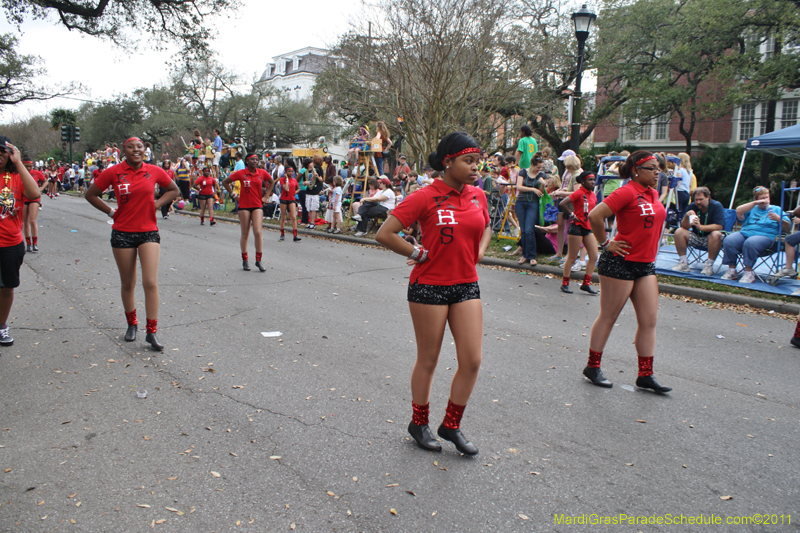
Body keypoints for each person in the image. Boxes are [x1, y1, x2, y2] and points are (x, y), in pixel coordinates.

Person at [376, 132, 491, 455]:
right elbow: (385, 234)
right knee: (429, 359)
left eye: (476, 161)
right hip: (429, 286)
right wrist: (416, 254)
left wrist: (480, 251)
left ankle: (451, 425)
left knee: (472, 360)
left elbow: (486, 226)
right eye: (468, 161)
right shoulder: (425, 196)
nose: (474, 167)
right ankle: (419, 423)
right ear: (448, 162)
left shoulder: (477, 196)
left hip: (466, 284)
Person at [584, 151, 671, 393]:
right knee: (609, 316)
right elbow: (595, 215)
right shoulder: (627, 191)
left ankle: (646, 374)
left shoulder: (653, 193)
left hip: (645, 264)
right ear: (636, 170)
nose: (657, 172)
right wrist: (604, 243)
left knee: (649, 320)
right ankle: (593, 367)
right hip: (619, 262)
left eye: (659, 169)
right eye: (652, 168)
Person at [85, 137, 179, 351]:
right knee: (128, 283)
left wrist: (156, 205)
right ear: (123, 151)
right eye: (130, 147)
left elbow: (173, 190)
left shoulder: (154, 170)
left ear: (144, 150)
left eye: (139, 147)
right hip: (122, 233)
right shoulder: (113, 172)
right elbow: (90, 194)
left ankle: (152, 332)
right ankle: (131, 324)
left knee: (150, 282)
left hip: (148, 232)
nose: (136, 150)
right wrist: (111, 212)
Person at [0, 138, 41, 349]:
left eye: (2, 151)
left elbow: (34, 194)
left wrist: (19, 164)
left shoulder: (16, 177)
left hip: (10, 244)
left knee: (7, 288)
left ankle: (1, 326)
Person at [720, 186, 791, 283]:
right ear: (756, 200)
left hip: (766, 237)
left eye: (767, 197)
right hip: (745, 234)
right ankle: (732, 270)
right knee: (729, 239)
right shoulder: (751, 208)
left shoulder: (777, 209)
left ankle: (749, 273)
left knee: (751, 242)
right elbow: (738, 210)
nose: (766, 200)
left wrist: (778, 219)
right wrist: (755, 203)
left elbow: (787, 229)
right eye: (762, 198)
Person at [223, 153, 273, 270]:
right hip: (244, 206)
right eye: (252, 159)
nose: (255, 161)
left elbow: (272, 182)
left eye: (257, 159)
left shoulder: (262, 172)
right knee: (245, 233)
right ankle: (245, 259)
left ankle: (258, 260)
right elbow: (225, 182)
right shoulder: (241, 173)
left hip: (257, 205)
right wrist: (234, 195)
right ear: (247, 161)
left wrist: (266, 196)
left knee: (258, 232)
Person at [559, 171, 599, 295]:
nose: (593, 182)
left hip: (588, 228)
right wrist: (572, 214)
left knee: (594, 256)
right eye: (590, 180)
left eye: (594, 180)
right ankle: (565, 283)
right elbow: (562, 204)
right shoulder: (578, 193)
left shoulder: (593, 195)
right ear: (583, 181)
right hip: (576, 227)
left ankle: (586, 284)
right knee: (572, 257)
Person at [671, 187, 725, 276]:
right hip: (697, 236)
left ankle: (709, 265)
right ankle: (683, 262)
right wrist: (686, 217)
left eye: (701, 199)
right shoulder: (692, 206)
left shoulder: (716, 206)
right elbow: (685, 226)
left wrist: (701, 227)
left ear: (708, 197)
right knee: (679, 231)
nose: (698, 202)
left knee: (716, 234)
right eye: (696, 200)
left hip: (712, 239)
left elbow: (719, 226)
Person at [549, 153, 583, 261]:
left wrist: (561, 193)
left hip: (571, 205)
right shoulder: (567, 172)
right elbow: (565, 186)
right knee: (560, 227)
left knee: (569, 229)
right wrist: (559, 191)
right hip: (562, 201)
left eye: (568, 166)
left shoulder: (578, 174)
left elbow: (577, 192)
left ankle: (569, 254)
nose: (566, 168)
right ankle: (559, 252)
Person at [514, 156, 545, 266]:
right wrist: (532, 189)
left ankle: (531, 256)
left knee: (529, 229)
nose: (539, 169)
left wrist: (543, 184)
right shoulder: (523, 172)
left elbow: (541, 193)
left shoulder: (541, 175)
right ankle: (525, 254)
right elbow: (519, 187)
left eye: (541, 167)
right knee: (523, 230)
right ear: (532, 165)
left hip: (533, 203)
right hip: (521, 203)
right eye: (538, 167)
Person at [21, 156, 45, 252]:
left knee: (32, 221)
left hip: (34, 199)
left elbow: (45, 181)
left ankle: (35, 243)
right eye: (26, 166)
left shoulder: (36, 173)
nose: (28, 168)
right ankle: (28, 243)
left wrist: (40, 190)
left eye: (30, 166)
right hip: (23, 199)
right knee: (25, 222)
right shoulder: (19, 174)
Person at [278, 166, 301, 242]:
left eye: (292, 172)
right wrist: (287, 179)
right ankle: (282, 234)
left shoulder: (294, 180)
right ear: (286, 172)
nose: (291, 173)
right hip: (284, 199)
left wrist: (295, 192)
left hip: (291, 199)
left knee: (294, 217)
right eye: (289, 171)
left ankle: (295, 235)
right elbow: (285, 188)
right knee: (283, 217)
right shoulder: (282, 180)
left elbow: (298, 188)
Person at [305, 159, 323, 229]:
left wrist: (317, 176)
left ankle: (312, 223)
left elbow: (321, 180)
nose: (312, 163)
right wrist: (305, 182)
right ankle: (310, 222)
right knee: (309, 207)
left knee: (313, 207)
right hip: (308, 190)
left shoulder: (316, 170)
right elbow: (303, 181)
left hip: (315, 190)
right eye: (310, 163)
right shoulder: (306, 171)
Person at [675, 152, 693, 221]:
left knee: (677, 211)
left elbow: (678, 182)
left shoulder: (680, 170)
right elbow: (690, 184)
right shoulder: (690, 171)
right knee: (683, 212)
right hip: (686, 193)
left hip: (680, 192)